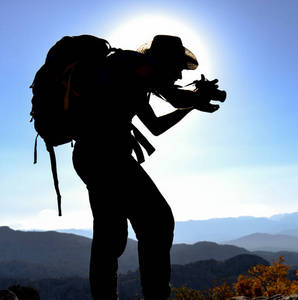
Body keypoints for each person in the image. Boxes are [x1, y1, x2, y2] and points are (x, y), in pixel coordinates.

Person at [72, 35, 220, 300]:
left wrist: (193, 102)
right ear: (165, 61)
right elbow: (165, 111)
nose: (178, 75)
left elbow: (160, 115)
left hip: (91, 157)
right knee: (158, 222)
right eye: (177, 68)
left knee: (110, 237)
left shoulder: (128, 71)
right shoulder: (138, 69)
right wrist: (194, 102)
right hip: (108, 158)